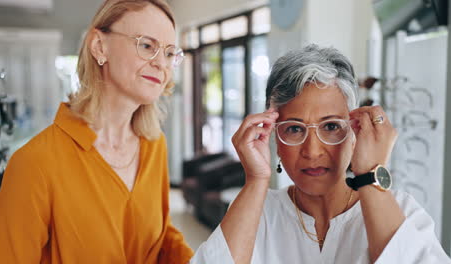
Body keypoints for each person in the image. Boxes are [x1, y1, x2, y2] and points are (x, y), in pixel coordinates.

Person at [190, 45, 451, 263]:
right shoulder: (258, 211)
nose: (312, 151)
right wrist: (256, 180)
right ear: (273, 137)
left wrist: (371, 174)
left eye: (331, 126)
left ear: (354, 131)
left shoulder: (401, 210)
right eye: (294, 129)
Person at [0, 0, 193, 263]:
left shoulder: (154, 145)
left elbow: (160, 236)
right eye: (147, 46)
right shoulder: (34, 164)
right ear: (99, 46)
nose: (161, 64)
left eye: (170, 53)